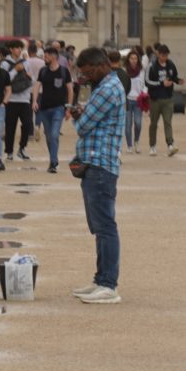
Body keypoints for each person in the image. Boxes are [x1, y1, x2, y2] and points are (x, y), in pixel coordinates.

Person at [69, 46, 124, 304]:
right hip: (97, 164)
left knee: (105, 227)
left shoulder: (107, 90)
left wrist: (76, 115)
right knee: (101, 227)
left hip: (100, 165)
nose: (86, 77)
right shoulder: (105, 87)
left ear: (101, 65)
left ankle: (108, 284)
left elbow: (83, 126)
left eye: (88, 72)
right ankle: (101, 279)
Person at [36, 49, 73, 173]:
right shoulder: (43, 71)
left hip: (59, 108)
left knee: (54, 135)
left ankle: (53, 162)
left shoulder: (64, 71)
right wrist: (34, 101)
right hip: (44, 109)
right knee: (48, 137)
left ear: (53, 57)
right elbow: (36, 86)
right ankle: (53, 159)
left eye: (46, 56)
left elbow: (70, 90)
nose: (44, 58)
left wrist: (68, 108)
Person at [146, 44, 180, 156]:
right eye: (162, 55)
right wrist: (161, 83)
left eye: (166, 55)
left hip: (168, 98)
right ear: (158, 54)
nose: (164, 57)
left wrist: (177, 81)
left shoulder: (171, 64)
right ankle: (152, 146)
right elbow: (147, 82)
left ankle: (170, 144)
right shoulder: (151, 66)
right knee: (153, 123)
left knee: (168, 122)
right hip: (155, 99)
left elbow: (174, 76)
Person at [4, 53, 36, 163]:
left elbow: (32, 80)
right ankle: (9, 152)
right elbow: (5, 79)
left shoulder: (26, 63)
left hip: (25, 100)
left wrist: (30, 76)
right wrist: (15, 70)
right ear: (11, 50)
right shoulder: (5, 63)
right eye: (16, 48)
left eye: (19, 48)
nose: (18, 50)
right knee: (10, 127)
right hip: (11, 100)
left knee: (27, 124)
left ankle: (22, 148)